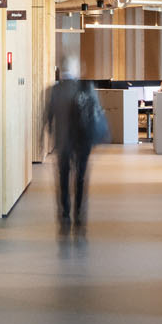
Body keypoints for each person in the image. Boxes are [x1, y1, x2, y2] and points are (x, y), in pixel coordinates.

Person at [41, 71, 108, 231]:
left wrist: (45, 134)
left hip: (63, 142)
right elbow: (96, 112)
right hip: (83, 141)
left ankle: (65, 213)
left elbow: (48, 116)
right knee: (80, 177)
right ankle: (78, 212)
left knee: (64, 178)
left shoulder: (55, 90)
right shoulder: (86, 87)